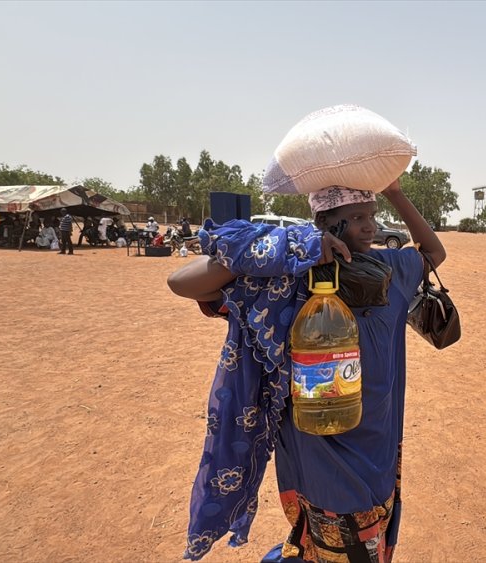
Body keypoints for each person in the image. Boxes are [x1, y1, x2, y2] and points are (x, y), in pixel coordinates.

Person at [168, 179, 445, 562]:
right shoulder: (290, 278)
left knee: (361, 539)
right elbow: (181, 282)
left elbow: (433, 251)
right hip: (317, 446)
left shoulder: (387, 267)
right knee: (334, 539)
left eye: (372, 217)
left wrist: (395, 193)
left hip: (375, 440)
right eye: (356, 218)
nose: (369, 227)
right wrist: (290, 248)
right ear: (325, 224)